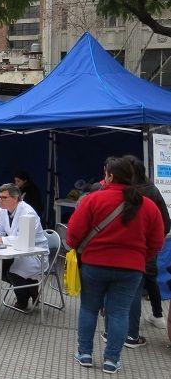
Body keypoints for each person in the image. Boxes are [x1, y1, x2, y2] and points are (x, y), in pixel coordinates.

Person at [68, 157, 164, 373]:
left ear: (109, 176)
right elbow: (157, 240)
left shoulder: (93, 200)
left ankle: (84, 353)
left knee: (88, 308)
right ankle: (112, 360)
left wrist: (79, 248)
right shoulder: (147, 205)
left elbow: (73, 234)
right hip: (131, 269)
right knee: (119, 313)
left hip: (94, 265)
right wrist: (141, 257)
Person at [0, 183, 49, 312]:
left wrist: (1, 239)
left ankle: (22, 300)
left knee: (13, 272)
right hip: (15, 251)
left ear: (15, 197)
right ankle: (29, 286)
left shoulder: (29, 213)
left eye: (4, 197)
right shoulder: (3, 210)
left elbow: (23, 238)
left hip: (34, 253)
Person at [124, 155, 171, 332]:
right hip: (150, 246)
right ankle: (157, 314)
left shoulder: (127, 192)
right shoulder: (153, 189)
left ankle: (130, 330)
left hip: (130, 248)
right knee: (150, 279)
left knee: (132, 286)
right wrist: (156, 242)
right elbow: (166, 221)